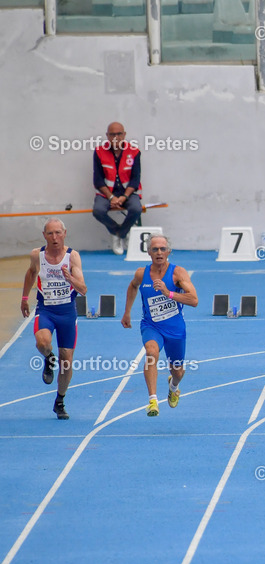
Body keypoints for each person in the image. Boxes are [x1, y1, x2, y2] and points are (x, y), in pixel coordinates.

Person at [121, 235, 198, 417]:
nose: (159, 253)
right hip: (151, 326)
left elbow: (194, 300)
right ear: (148, 252)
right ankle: (153, 400)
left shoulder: (177, 273)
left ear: (169, 252)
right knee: (151, 352)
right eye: (155, 249)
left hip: (175, 329)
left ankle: (174, 386)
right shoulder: (142, 273)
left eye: (163, 249)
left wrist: (168, 293)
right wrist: (127, 312)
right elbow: (133, 286)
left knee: (178, 371)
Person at [20, 219, 87, 419]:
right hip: (46, 310)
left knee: (66, 361)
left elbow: (83, 289)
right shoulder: (37, 255)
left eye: (58, 233)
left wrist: (70, 279)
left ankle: (60, 400)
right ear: (44, 235)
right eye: (50, 233)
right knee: (42, 342)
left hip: (67, 313)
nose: (55, 237)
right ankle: (49, 358)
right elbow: (31, 273)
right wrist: (24, 298)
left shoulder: (72, 257)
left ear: (65, 233)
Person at [93, 121, 142, 255]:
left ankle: (119, 234)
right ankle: (118, 232)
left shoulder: (134, 152)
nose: (116, 137)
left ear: (124, 134)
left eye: (119, 134)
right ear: (107, 136)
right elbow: (97, 180)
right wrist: (111, 197)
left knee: (136, 208)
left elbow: (135, 179)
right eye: (112, 134)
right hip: (107, 194)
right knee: (98, 210)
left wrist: (124, 197)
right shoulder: (99, 152)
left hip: (128, 193)